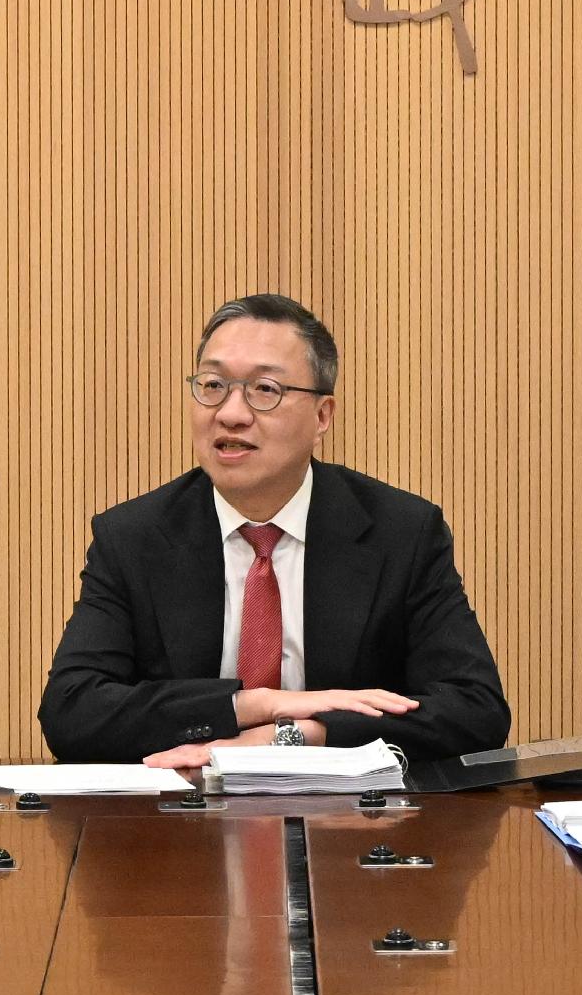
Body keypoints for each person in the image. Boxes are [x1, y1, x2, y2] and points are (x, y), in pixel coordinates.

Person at [39, 292, 511, 768]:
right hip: (183, 810)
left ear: (322, 416)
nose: (231, 414)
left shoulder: (401, 532)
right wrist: (257, 705)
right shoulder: (133, 537)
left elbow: (476, 711)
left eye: (265, 389)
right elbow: (72, 712)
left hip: (346, 812)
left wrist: (302, 733)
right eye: (213, 385)